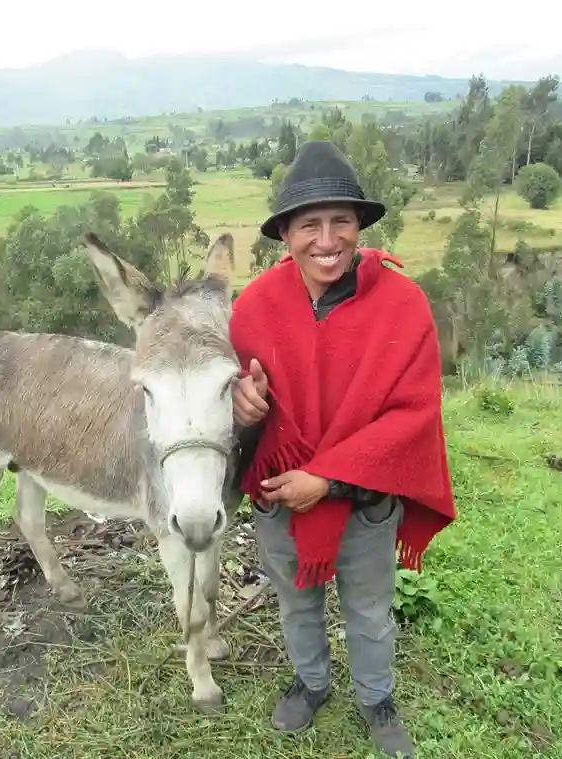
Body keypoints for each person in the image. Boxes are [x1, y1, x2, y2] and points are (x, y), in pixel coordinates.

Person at [228, 140, 457, 758]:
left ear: (359, 227)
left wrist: (327, 480)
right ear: (285, 234)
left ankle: (376, 698)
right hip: (280, 501)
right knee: (296, 604)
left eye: (341, 222)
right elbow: (230, 398)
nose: (326, 239)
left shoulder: (403, 306)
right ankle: (311, 683)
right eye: (309, 225)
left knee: (370, 612)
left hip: (366, 502)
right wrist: (240, 407)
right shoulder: (252, 308)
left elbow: (413, 416)